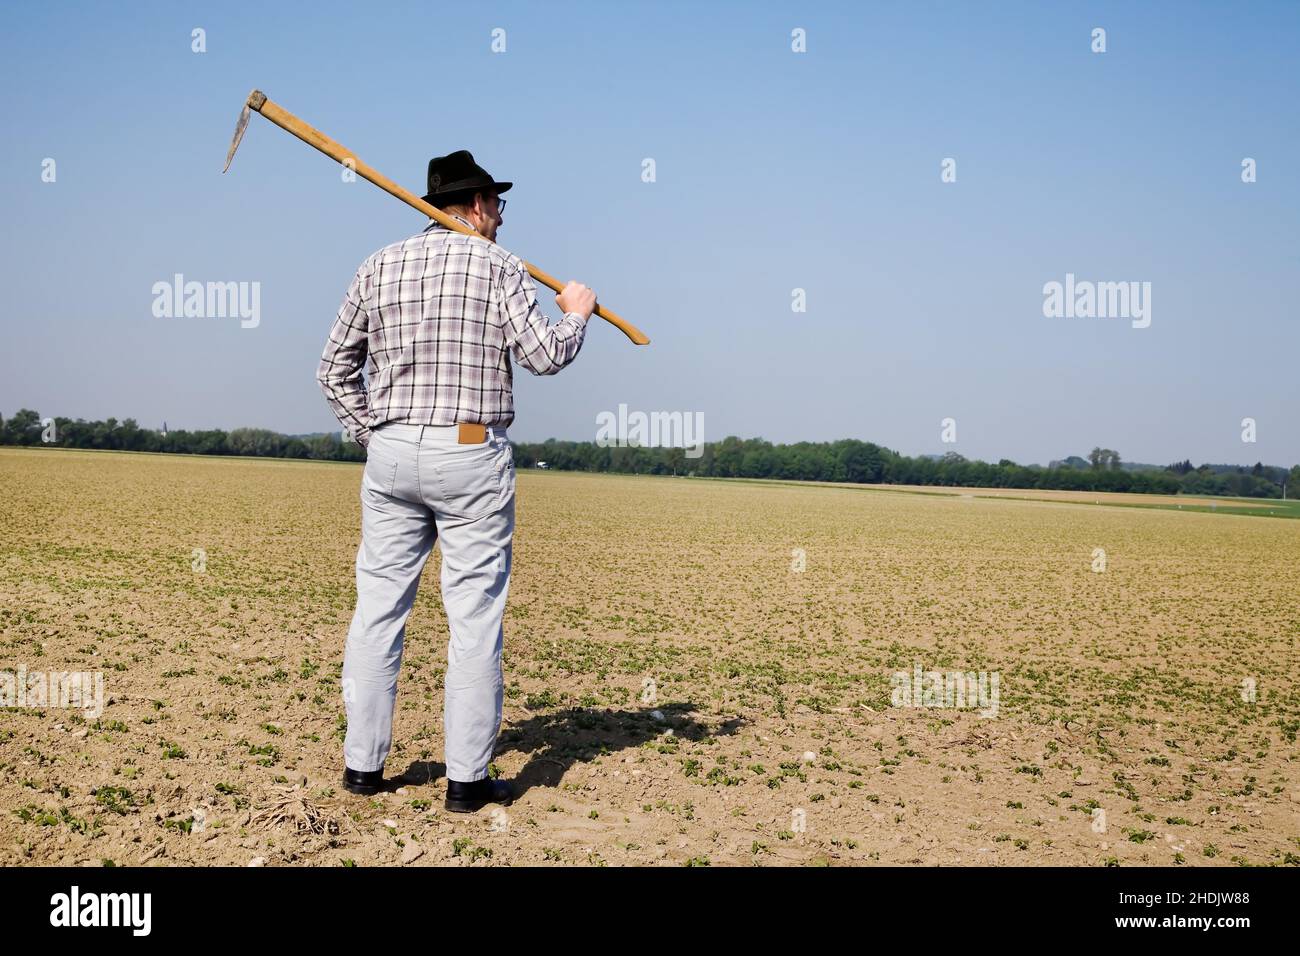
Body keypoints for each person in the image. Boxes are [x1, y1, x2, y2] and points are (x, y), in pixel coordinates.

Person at [316, 149, 597, 812]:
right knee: (472, 619)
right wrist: (577, 313)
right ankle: (467, 783)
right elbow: (542, 355)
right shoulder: (500, 265)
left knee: (377, 611)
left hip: (389, 454)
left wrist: (375, 434)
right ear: (472, 208)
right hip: (470, 451)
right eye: (496, 205)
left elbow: (332, 369)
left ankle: (363, 769)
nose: (500, 217)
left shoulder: (377, 264)